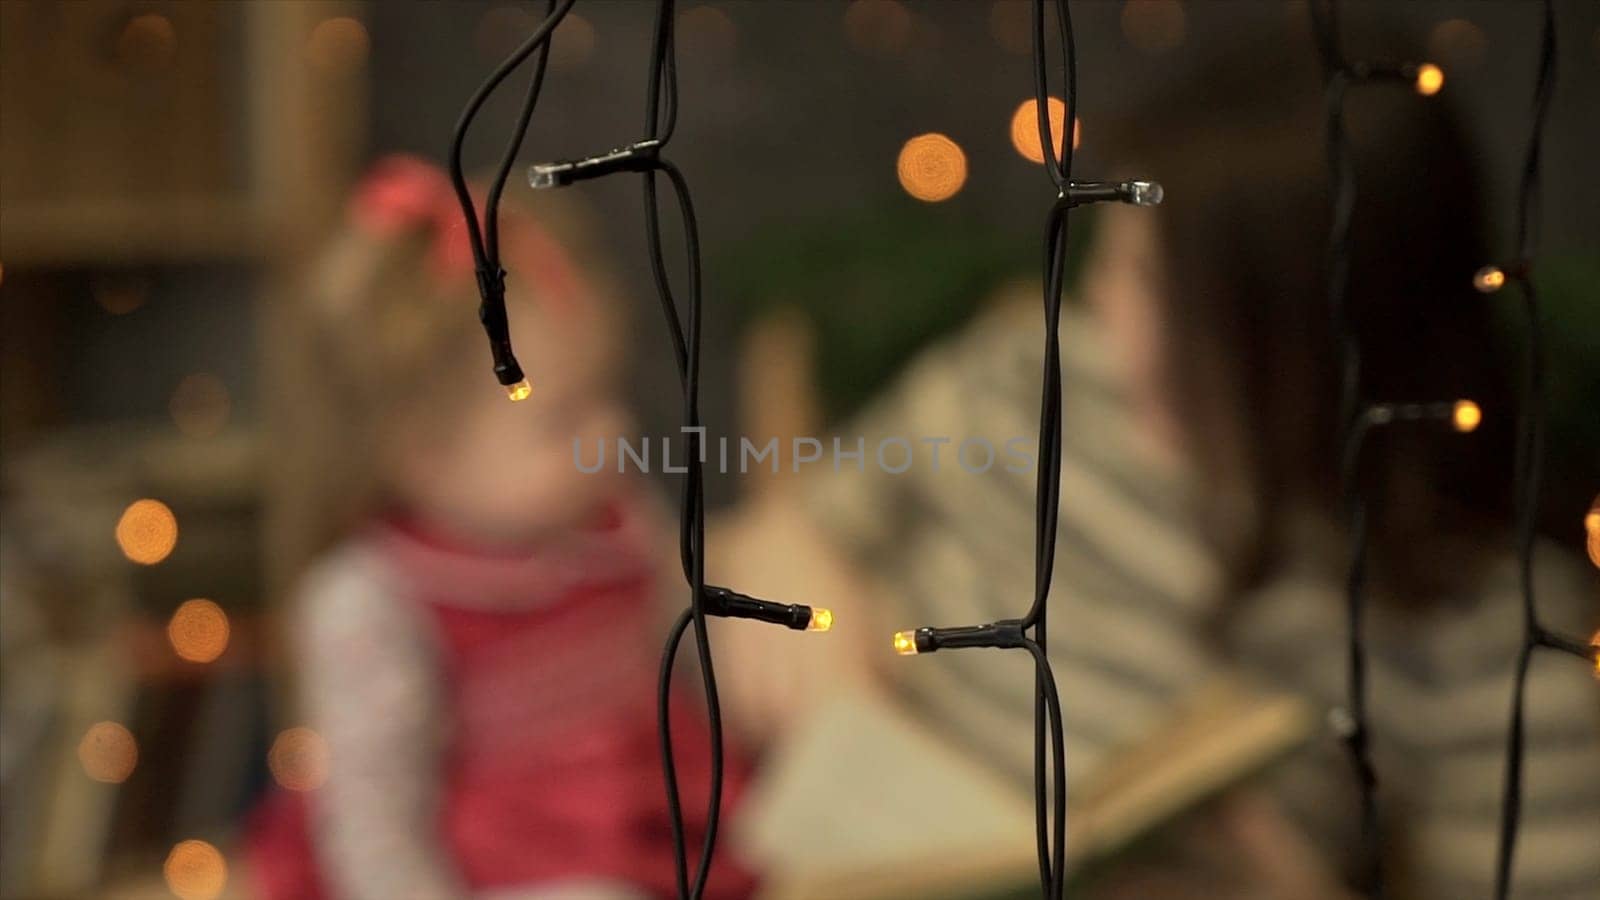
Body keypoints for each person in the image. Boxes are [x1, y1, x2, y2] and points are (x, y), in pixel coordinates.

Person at [708, 28, 1599, 899]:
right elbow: (777, 538)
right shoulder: (1039, 375)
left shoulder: (1494, 642)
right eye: (1126, 269)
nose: (1119, 332)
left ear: (1314, 345)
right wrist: (784, 566)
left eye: (1178, 308)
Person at [248, 155, 756, 900]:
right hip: (499, 868)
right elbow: (376, 828)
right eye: (564, 421)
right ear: (420, 450)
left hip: (651, 814)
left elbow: (677, 643)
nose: (610, 434)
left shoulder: (613, 515)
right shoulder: (374, 599)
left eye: (605, 394)